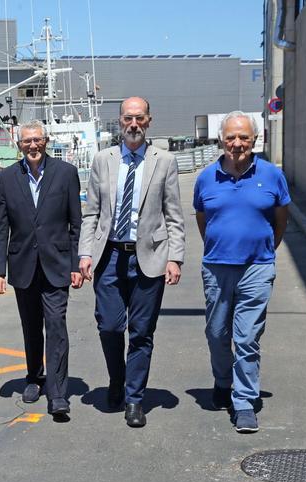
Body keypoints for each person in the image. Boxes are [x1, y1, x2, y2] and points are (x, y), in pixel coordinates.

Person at [79, 97, 185, 428]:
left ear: (149, 121)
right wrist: (85, 253)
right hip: (109, 255)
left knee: (141, 332)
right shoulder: (103, 160)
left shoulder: (164, 161)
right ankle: (117, 378)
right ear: (120, 121)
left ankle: (135, 399)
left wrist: (175, 258)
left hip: (149, 258)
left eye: (139, 118)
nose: (133, 124)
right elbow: (91, 212)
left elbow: (174, 215)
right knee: (110, 325)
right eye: (128, 118)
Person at [193, 112, 289, 434]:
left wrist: (264, 250)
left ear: (254, 140)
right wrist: (219, 246)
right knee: (217, 333)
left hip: (257, 267)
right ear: (221, 140)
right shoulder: (206, 177)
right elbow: (202, 219)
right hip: (217, 266)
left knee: (247, 337)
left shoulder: (272, 176)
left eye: (244, 138)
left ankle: (245, 401)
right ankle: (222, 382)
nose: (237, 144)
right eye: (231, 138)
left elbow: (281, 219)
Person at [0, 120, 83, 420]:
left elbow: (76, 224)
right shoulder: (7, 177)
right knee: (31, 326)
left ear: (46, 141)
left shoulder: (66, 174)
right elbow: (0, 227)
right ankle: (34, 376)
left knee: (56, 326)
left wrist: (76, 264)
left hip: (57, 265)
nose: (33, 146)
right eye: (26, 141)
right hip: (22, 266)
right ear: (19, 145)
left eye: (37, 140)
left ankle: (58, 394)